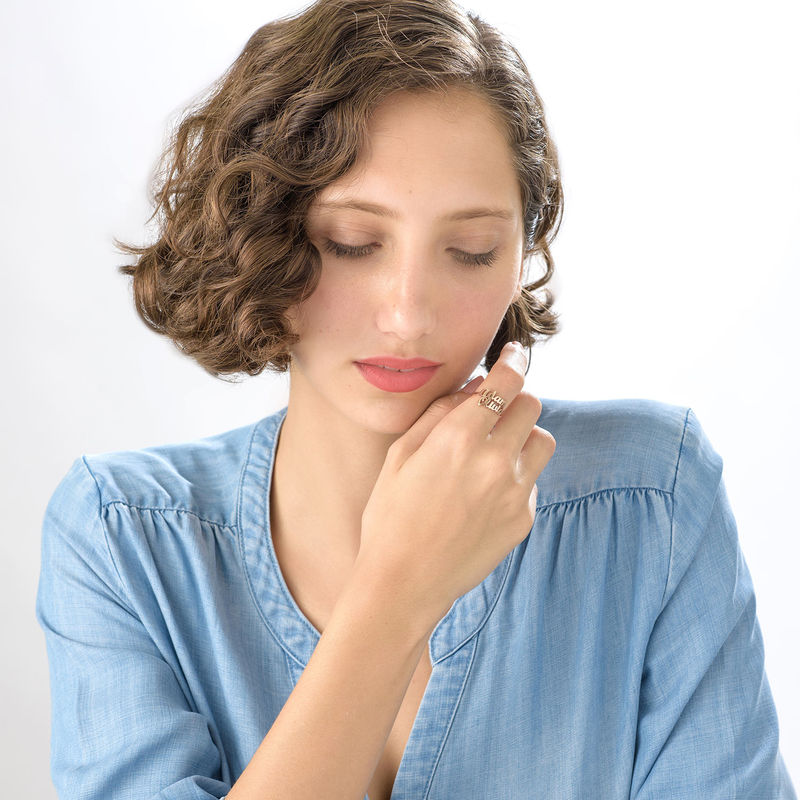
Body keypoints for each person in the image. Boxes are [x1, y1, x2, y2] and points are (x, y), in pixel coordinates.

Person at [35, 0, 796, 798]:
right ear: (258, 240)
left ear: (518, 256)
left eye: (470, 252)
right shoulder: (122, 539)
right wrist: (396, 592)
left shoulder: (652, 501)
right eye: (352, 244)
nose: (407, 314)